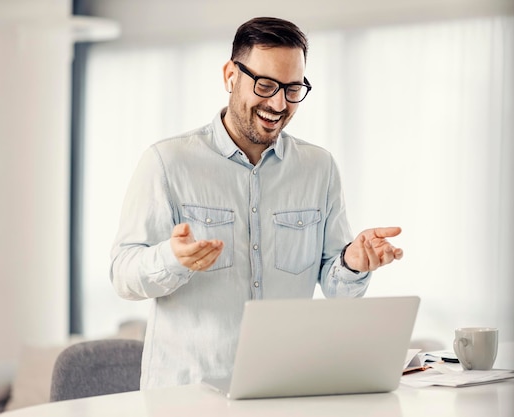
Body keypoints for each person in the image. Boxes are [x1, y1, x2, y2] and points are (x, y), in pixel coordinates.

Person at [110, 16, 404, 390]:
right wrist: (172, 258)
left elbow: (336, 286)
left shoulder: (319, 168)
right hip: (187, 396)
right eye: (265, 85)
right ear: (230, 76)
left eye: (293, 88)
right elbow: (123, 275)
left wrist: (353, 263)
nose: (278, 103)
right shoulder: (167, 162)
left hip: (284, 389)